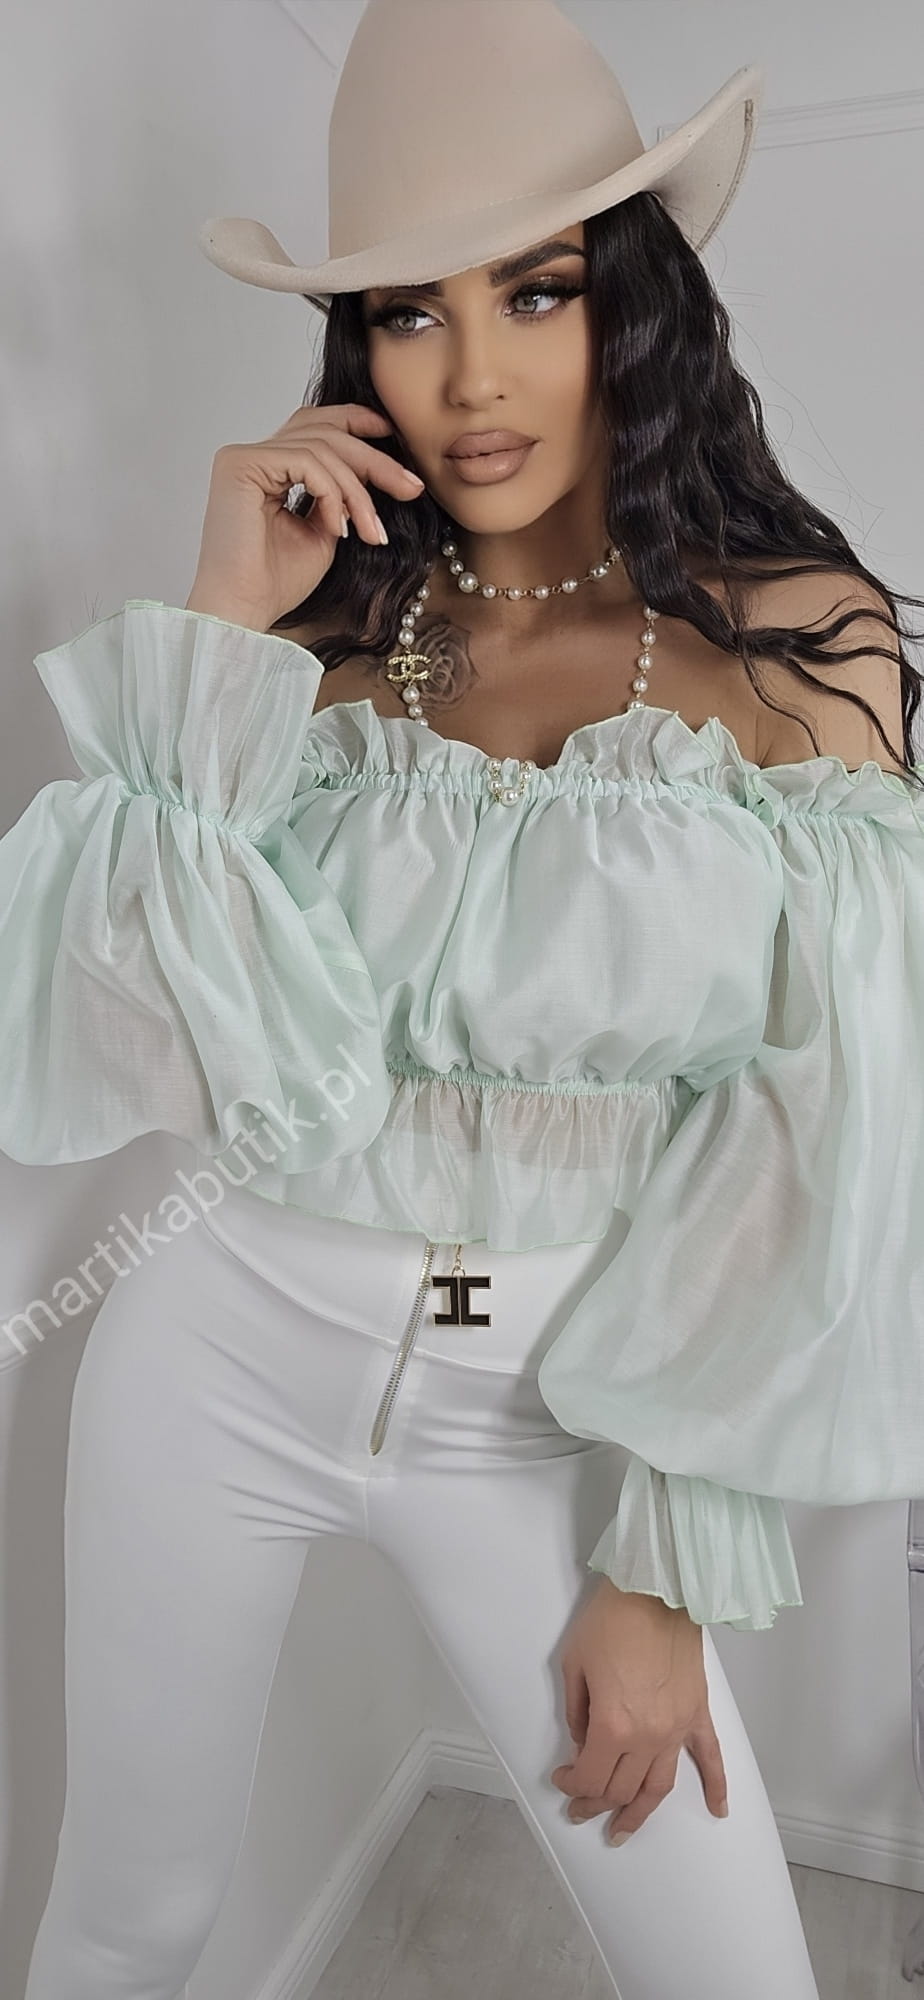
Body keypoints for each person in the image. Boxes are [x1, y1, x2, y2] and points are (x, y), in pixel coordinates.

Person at [6, 1, 924, 1995]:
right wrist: (217, 623)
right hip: (217, 1339)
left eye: (538, 290)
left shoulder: (797, 640)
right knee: (131, 1914)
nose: (475, 375)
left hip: (546, 1412)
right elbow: (138, 1011)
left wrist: (663, 1560)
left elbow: (822, 1138)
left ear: (638, 305)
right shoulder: (336, 629)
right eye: (410, 313)